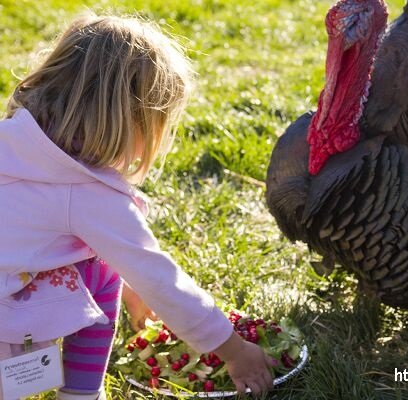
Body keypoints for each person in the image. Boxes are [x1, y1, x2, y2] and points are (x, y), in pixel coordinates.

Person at [0, 14, 273, 399]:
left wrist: (132, 291)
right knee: (103, 274)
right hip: (9, 370)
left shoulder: (12, 141)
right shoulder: (88, 193)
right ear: (134, 120)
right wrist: (234, 350)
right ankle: (80, 395)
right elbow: (161, 280)